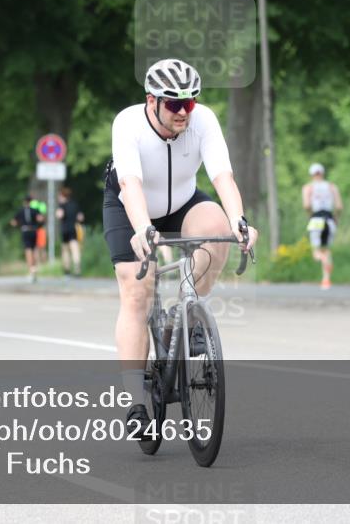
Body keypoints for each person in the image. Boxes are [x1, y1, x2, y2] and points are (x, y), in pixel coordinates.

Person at [103, 58, 258, 438]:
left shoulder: (202, 120)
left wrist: (240, 221)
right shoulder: (128, 123)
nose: (184, 112)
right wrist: (142, 229)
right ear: (151, 100)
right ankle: (137, 401)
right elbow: (132, 184)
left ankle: (182, 318)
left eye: (190, 103)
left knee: (217, 229)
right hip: (131, 204)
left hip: (183, 201)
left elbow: (223, 175)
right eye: (175, 104)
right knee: (136, 290)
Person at [302, 163, 343, 289]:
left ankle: (323, 260)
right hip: (330, 219)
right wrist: (336, 218)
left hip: (316, 219)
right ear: (323, 173)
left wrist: (310, 215)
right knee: (326, 249)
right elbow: (339, 207)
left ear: (311, 174)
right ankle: (326, 280)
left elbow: (307, 205)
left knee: (316, 251)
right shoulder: (332, 186)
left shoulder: (308, 187)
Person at [11, 195, 43, 283]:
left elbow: (13, 222)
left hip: (25, 231)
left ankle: (31, 270)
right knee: (34, 249)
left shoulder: (20, 211)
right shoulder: (35, 210)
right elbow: (40, 219)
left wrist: (18, 225)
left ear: (24, 202)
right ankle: (34, 268)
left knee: (28, 251)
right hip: (34, 231)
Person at [56, 187, 85, 277]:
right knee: (75, 249)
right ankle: (77, 270)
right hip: (74, 229)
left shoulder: (61, 205)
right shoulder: (75, 204)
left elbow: (59, 215)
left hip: (65, 230)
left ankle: (67, 271)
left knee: (65, 251)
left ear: (62, 196)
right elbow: (81, 217)